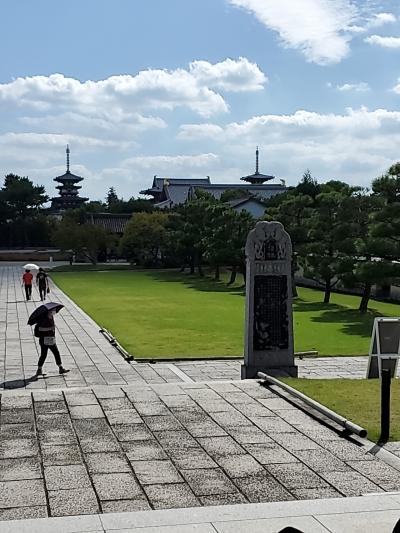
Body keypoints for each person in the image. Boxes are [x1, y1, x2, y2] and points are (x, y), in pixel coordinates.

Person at [35, 309, 69, 376]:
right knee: (45, 354)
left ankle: (60, 368)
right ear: (49, 311)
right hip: (44, 339)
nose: (54, 312)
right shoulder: (44, 319)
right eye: (53, 311)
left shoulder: (51, 317)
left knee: (54, 353)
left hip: (50, 338)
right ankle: (40, 369)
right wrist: (50, 328)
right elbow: (40, 329)